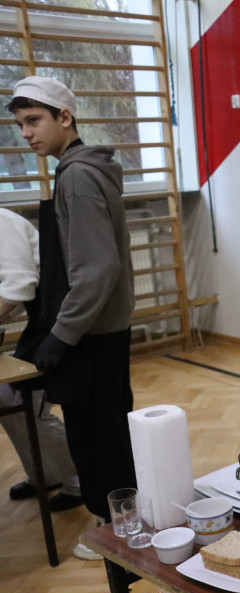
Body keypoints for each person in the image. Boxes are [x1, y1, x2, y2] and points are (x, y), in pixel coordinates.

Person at [8, 75, 138, 560]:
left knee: (98, 434)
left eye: (34, 120)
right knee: (102, 428)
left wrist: (61, 336)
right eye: (21, 124)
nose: (26, 133)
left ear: (66, 118)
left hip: (92, 331)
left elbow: (97, 268)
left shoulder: (79, 176)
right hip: (99, 328)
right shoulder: (77, 170)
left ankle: (117, 529)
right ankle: (119, 519)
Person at [0, 207, 82, 510]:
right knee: (7, 402)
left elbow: (19, 284)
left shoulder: (2, 223)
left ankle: (78, 482)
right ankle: (43, 475)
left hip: (55, 319)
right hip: (40, 318)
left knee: (35, 411)